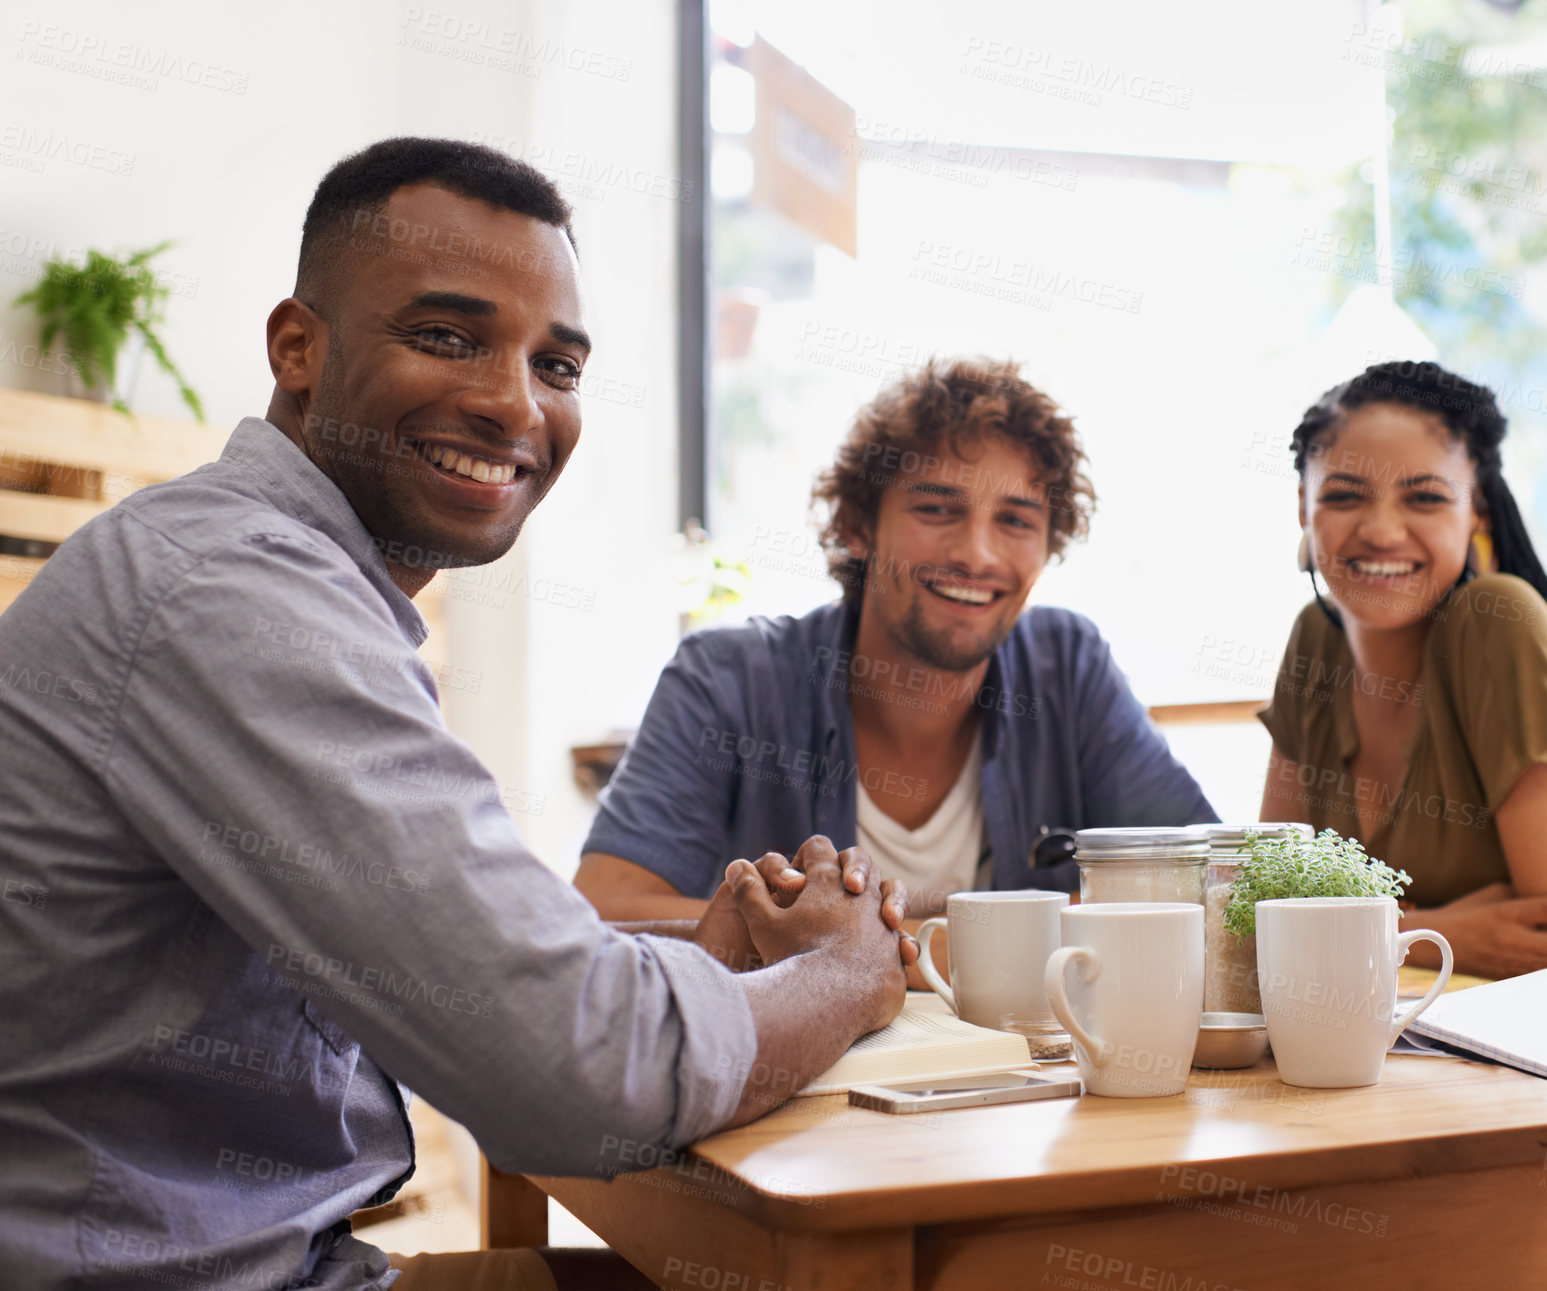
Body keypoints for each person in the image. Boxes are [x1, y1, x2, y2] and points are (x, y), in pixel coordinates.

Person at [0, 138, 916, 1291]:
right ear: (297, 347)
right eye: (445, 337)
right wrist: (846, 972)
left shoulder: (279, 583)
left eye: (558, 366)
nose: (509, 403)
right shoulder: (231, 595)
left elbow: (489, 963)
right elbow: (580, 1076)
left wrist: (706, 962)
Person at [576, 358, 1217, 952]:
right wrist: (985, 944)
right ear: (858, 525)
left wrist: (852, 941)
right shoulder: (728, 680)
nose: (979, 554)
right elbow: (603, 910)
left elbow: (1212, 884)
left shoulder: (1068, 669)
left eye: (1016, 521)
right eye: (939, 508)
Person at [1259, 359, 1547, 980]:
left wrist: (1360, 928)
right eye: (1342, 495)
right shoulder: (1314, 639)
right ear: (1304, 508)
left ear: (1479, 513)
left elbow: (1542, 930)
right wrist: (1446, 931)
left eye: (1424, 497)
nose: (1383, 530)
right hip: (1362, 1049)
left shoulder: (1499, 620)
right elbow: (1260, 914)